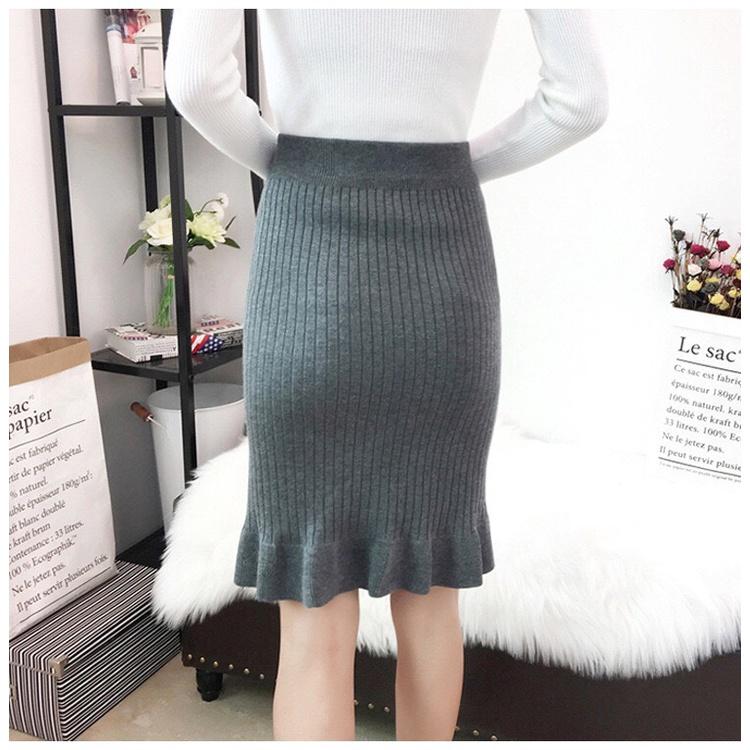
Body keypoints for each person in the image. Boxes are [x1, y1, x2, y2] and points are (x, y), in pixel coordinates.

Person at [164, 9, 608, 741]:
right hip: (445, 270)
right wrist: (453, 165)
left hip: (306, 255)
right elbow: (579, 101)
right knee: (432, 599)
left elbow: (193, 83)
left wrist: (292, 163)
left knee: (311, 612)